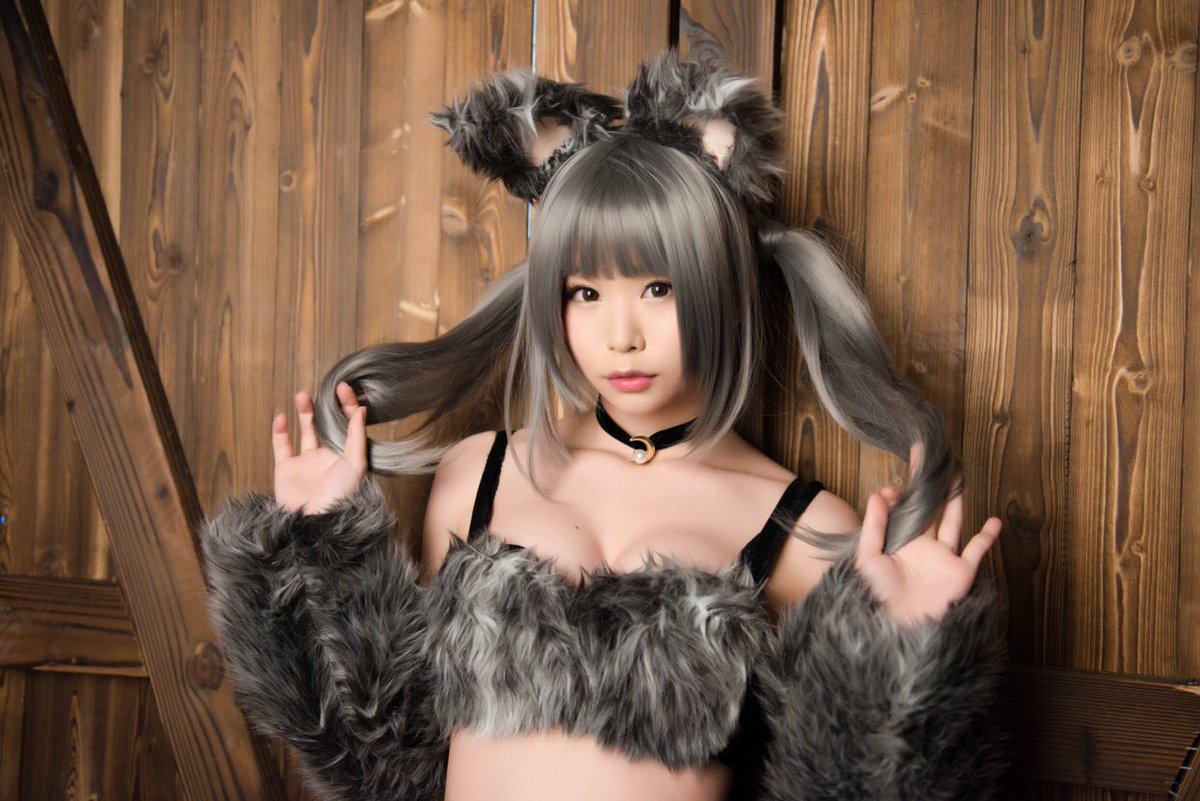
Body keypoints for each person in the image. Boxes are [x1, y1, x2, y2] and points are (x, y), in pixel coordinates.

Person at [199, 50, 1009, 801]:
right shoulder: (479, 474)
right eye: (586, 292)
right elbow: (384, 755)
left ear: (724, 291)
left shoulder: (803, 528)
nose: (621, 336)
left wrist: (905, 658)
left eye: (659, 288)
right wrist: (321, 547)